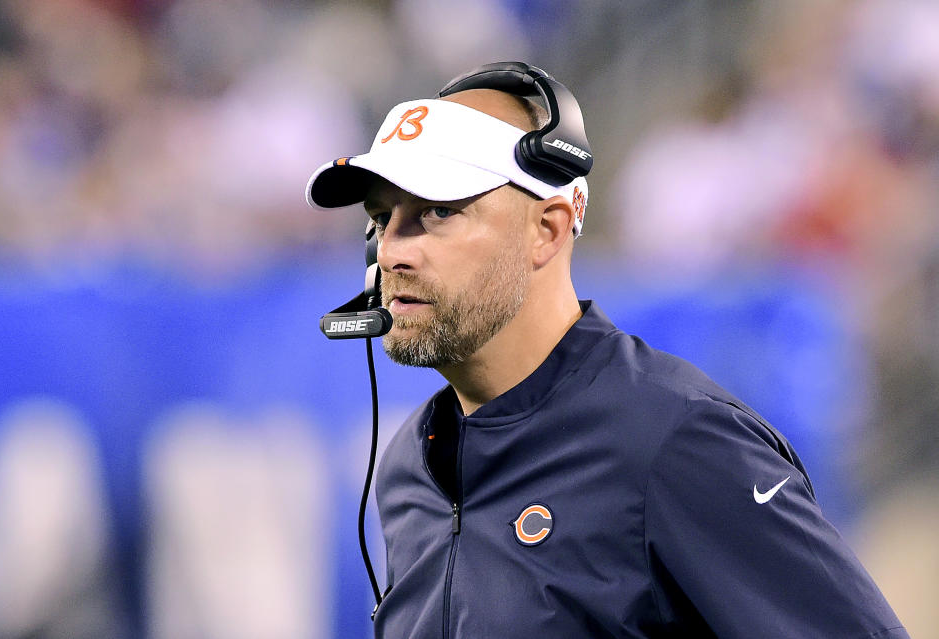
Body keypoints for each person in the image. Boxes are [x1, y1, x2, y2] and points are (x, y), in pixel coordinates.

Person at [305, 62, 908, 638]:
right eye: (382, 219)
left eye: (438, 211)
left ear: (548, 228)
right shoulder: (410, 463)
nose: (391, 253)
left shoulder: (679, 441)